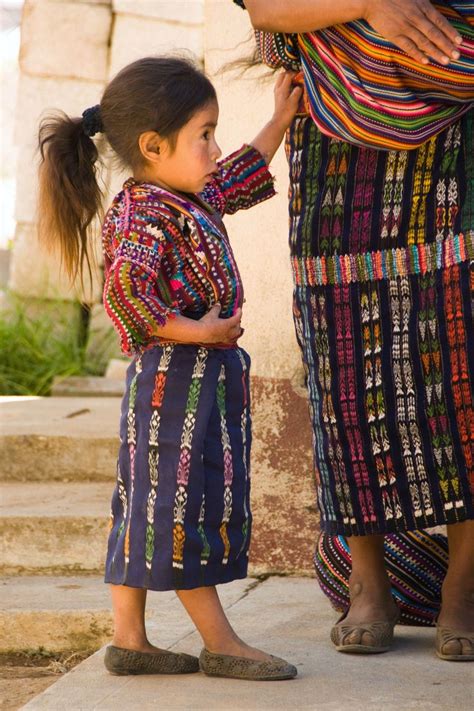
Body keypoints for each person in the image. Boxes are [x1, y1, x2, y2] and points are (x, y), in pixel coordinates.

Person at [37, 56, 302, 680]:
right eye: (203, 134)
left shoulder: (183, 192)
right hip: (176, 382)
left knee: (145, 504)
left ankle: (129, 639)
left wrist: (279, 120)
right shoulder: (146, 214)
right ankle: (221, 642)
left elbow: (236, 175)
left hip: (191, 378)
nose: (214, 147)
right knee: (184, 503)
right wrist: (203, 331)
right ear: (154, 147)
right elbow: (129, 294)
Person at [236, 0, 474, 660]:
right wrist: (372, 2)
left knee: (460, 361)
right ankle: (369, 578)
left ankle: (463, 583)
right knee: (345, 365)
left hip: (456, 131)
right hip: (334, 137)